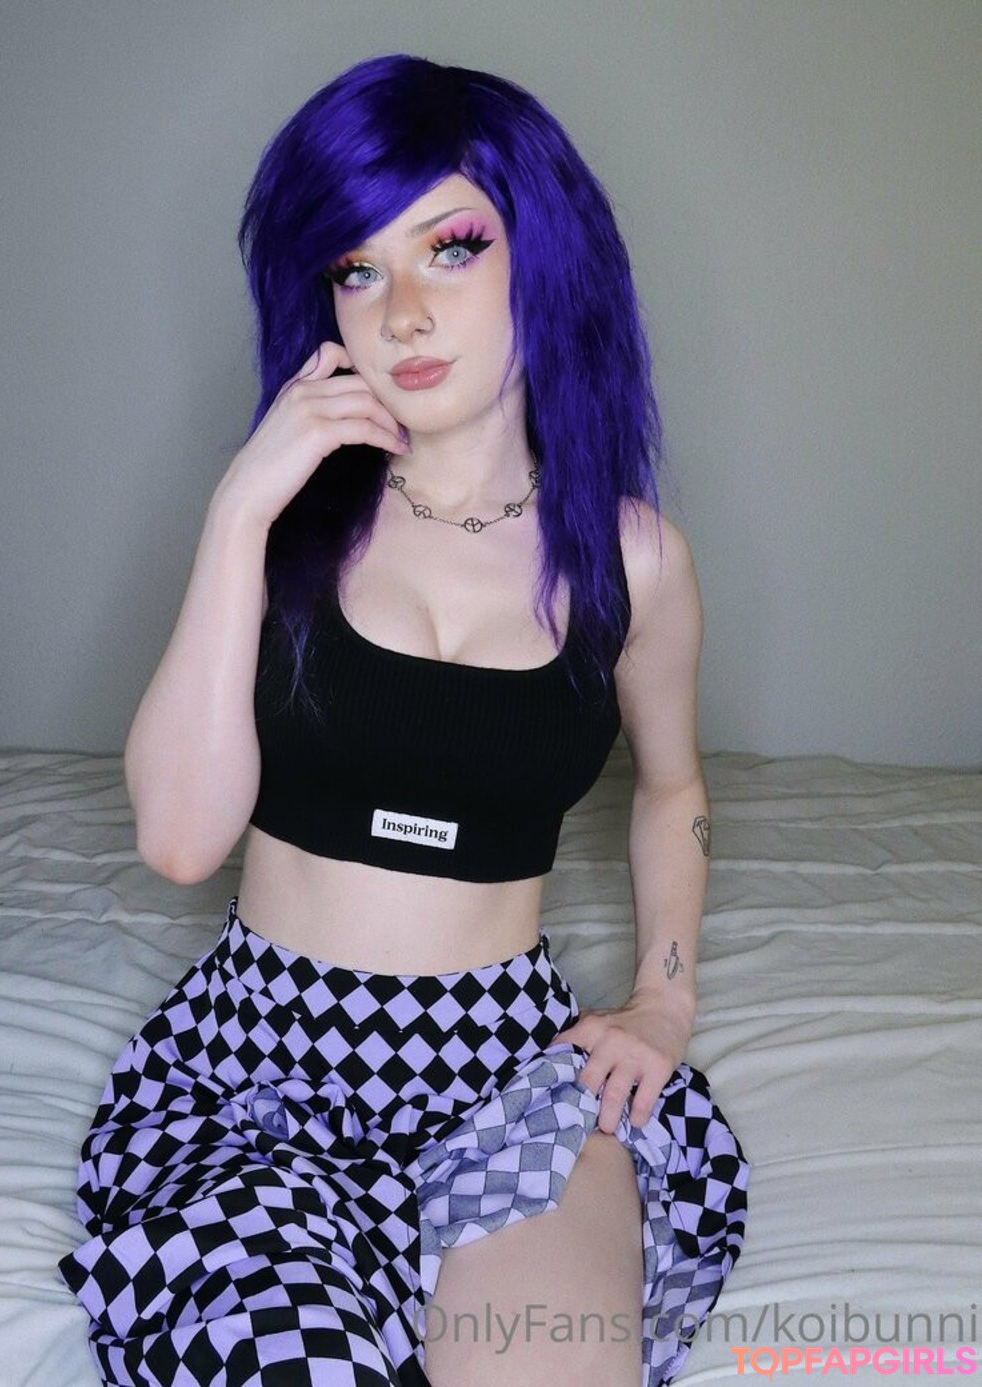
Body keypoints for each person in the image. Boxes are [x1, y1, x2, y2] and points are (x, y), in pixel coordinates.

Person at [59, 53, 748, 1387]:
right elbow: (181, 842)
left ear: (544, 260)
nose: (404, 312)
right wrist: (238, 509)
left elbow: (672, 787)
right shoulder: (286, 525)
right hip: (258, 1073)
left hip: (504, 1066)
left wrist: (666, 998)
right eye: (358, 269)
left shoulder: (635, 562)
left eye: (452, 247)